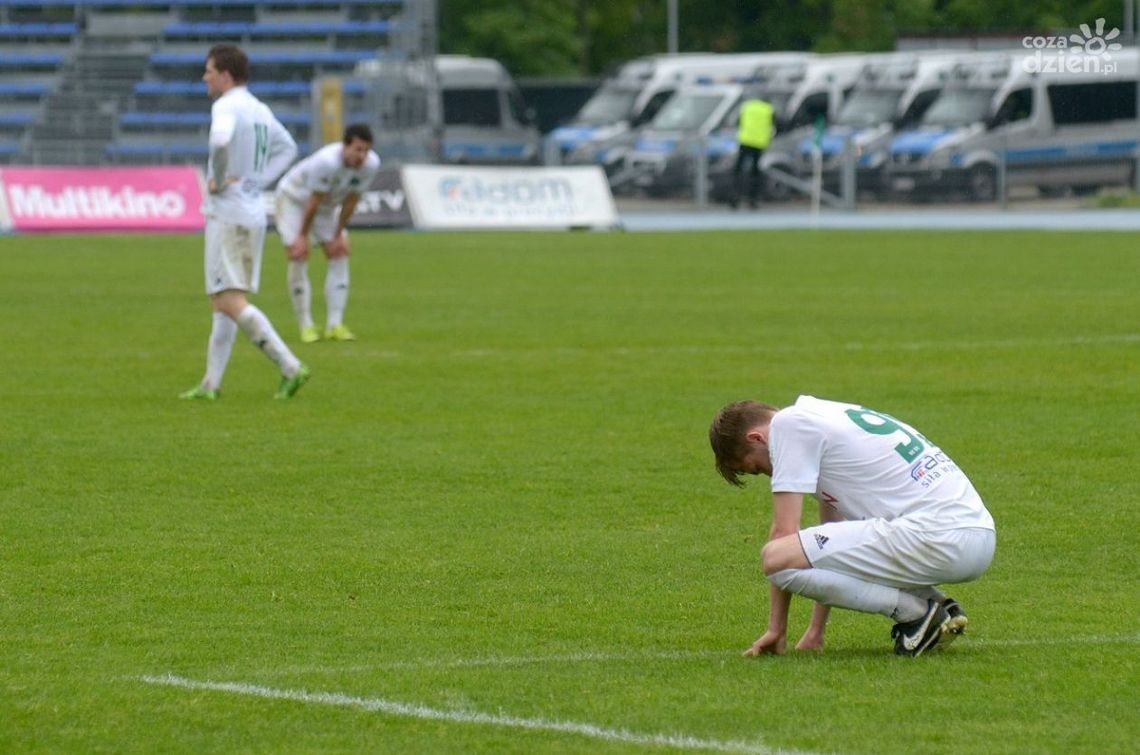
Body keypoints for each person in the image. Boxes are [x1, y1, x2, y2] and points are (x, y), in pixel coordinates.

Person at [709, 396, 996, 657]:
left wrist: (776, 630)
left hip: (938, 535)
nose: (768, 474)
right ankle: (936, 605)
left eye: (757, 468)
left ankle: (916, 614)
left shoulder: (788, 426)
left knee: (774, 557)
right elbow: (829, 541)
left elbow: (783, 538)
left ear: (756, 438)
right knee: (795, 553)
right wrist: (815, 631)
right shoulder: (821, 416)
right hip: (973, 535)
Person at [180, 43, 310, 401]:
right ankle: (211, 384)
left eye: (208, 71)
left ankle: (290, 366)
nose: (204, 77)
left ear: (224, 74)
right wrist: (256, 181)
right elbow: (288, 148)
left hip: (228, 212)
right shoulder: (260, 109)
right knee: (223, 298)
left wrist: (220, 179)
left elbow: (220, 140)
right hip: (250, 210)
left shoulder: (226, 106)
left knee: (229, 300)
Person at [273, 123, 381, 343]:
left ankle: (335, 325)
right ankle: (307, 326)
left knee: (339, 252)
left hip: (326, 207)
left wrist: (338, 233)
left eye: (366, 150)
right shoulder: (327, 162)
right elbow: (312, 202)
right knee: (299, 254)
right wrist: (302, 236)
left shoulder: (370, 165)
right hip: (293, 201)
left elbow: (352, 200)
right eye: (357, 149)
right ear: (345, 146)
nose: (362, 156)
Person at [731, 97, 774, 209]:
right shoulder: (768, 109)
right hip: (759, 143)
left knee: (738, 170)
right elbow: (775, 126)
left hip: (745, 141)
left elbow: (737, 122)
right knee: (755, 172)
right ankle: (753, 199)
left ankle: (735, 197)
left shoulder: (747, 106)